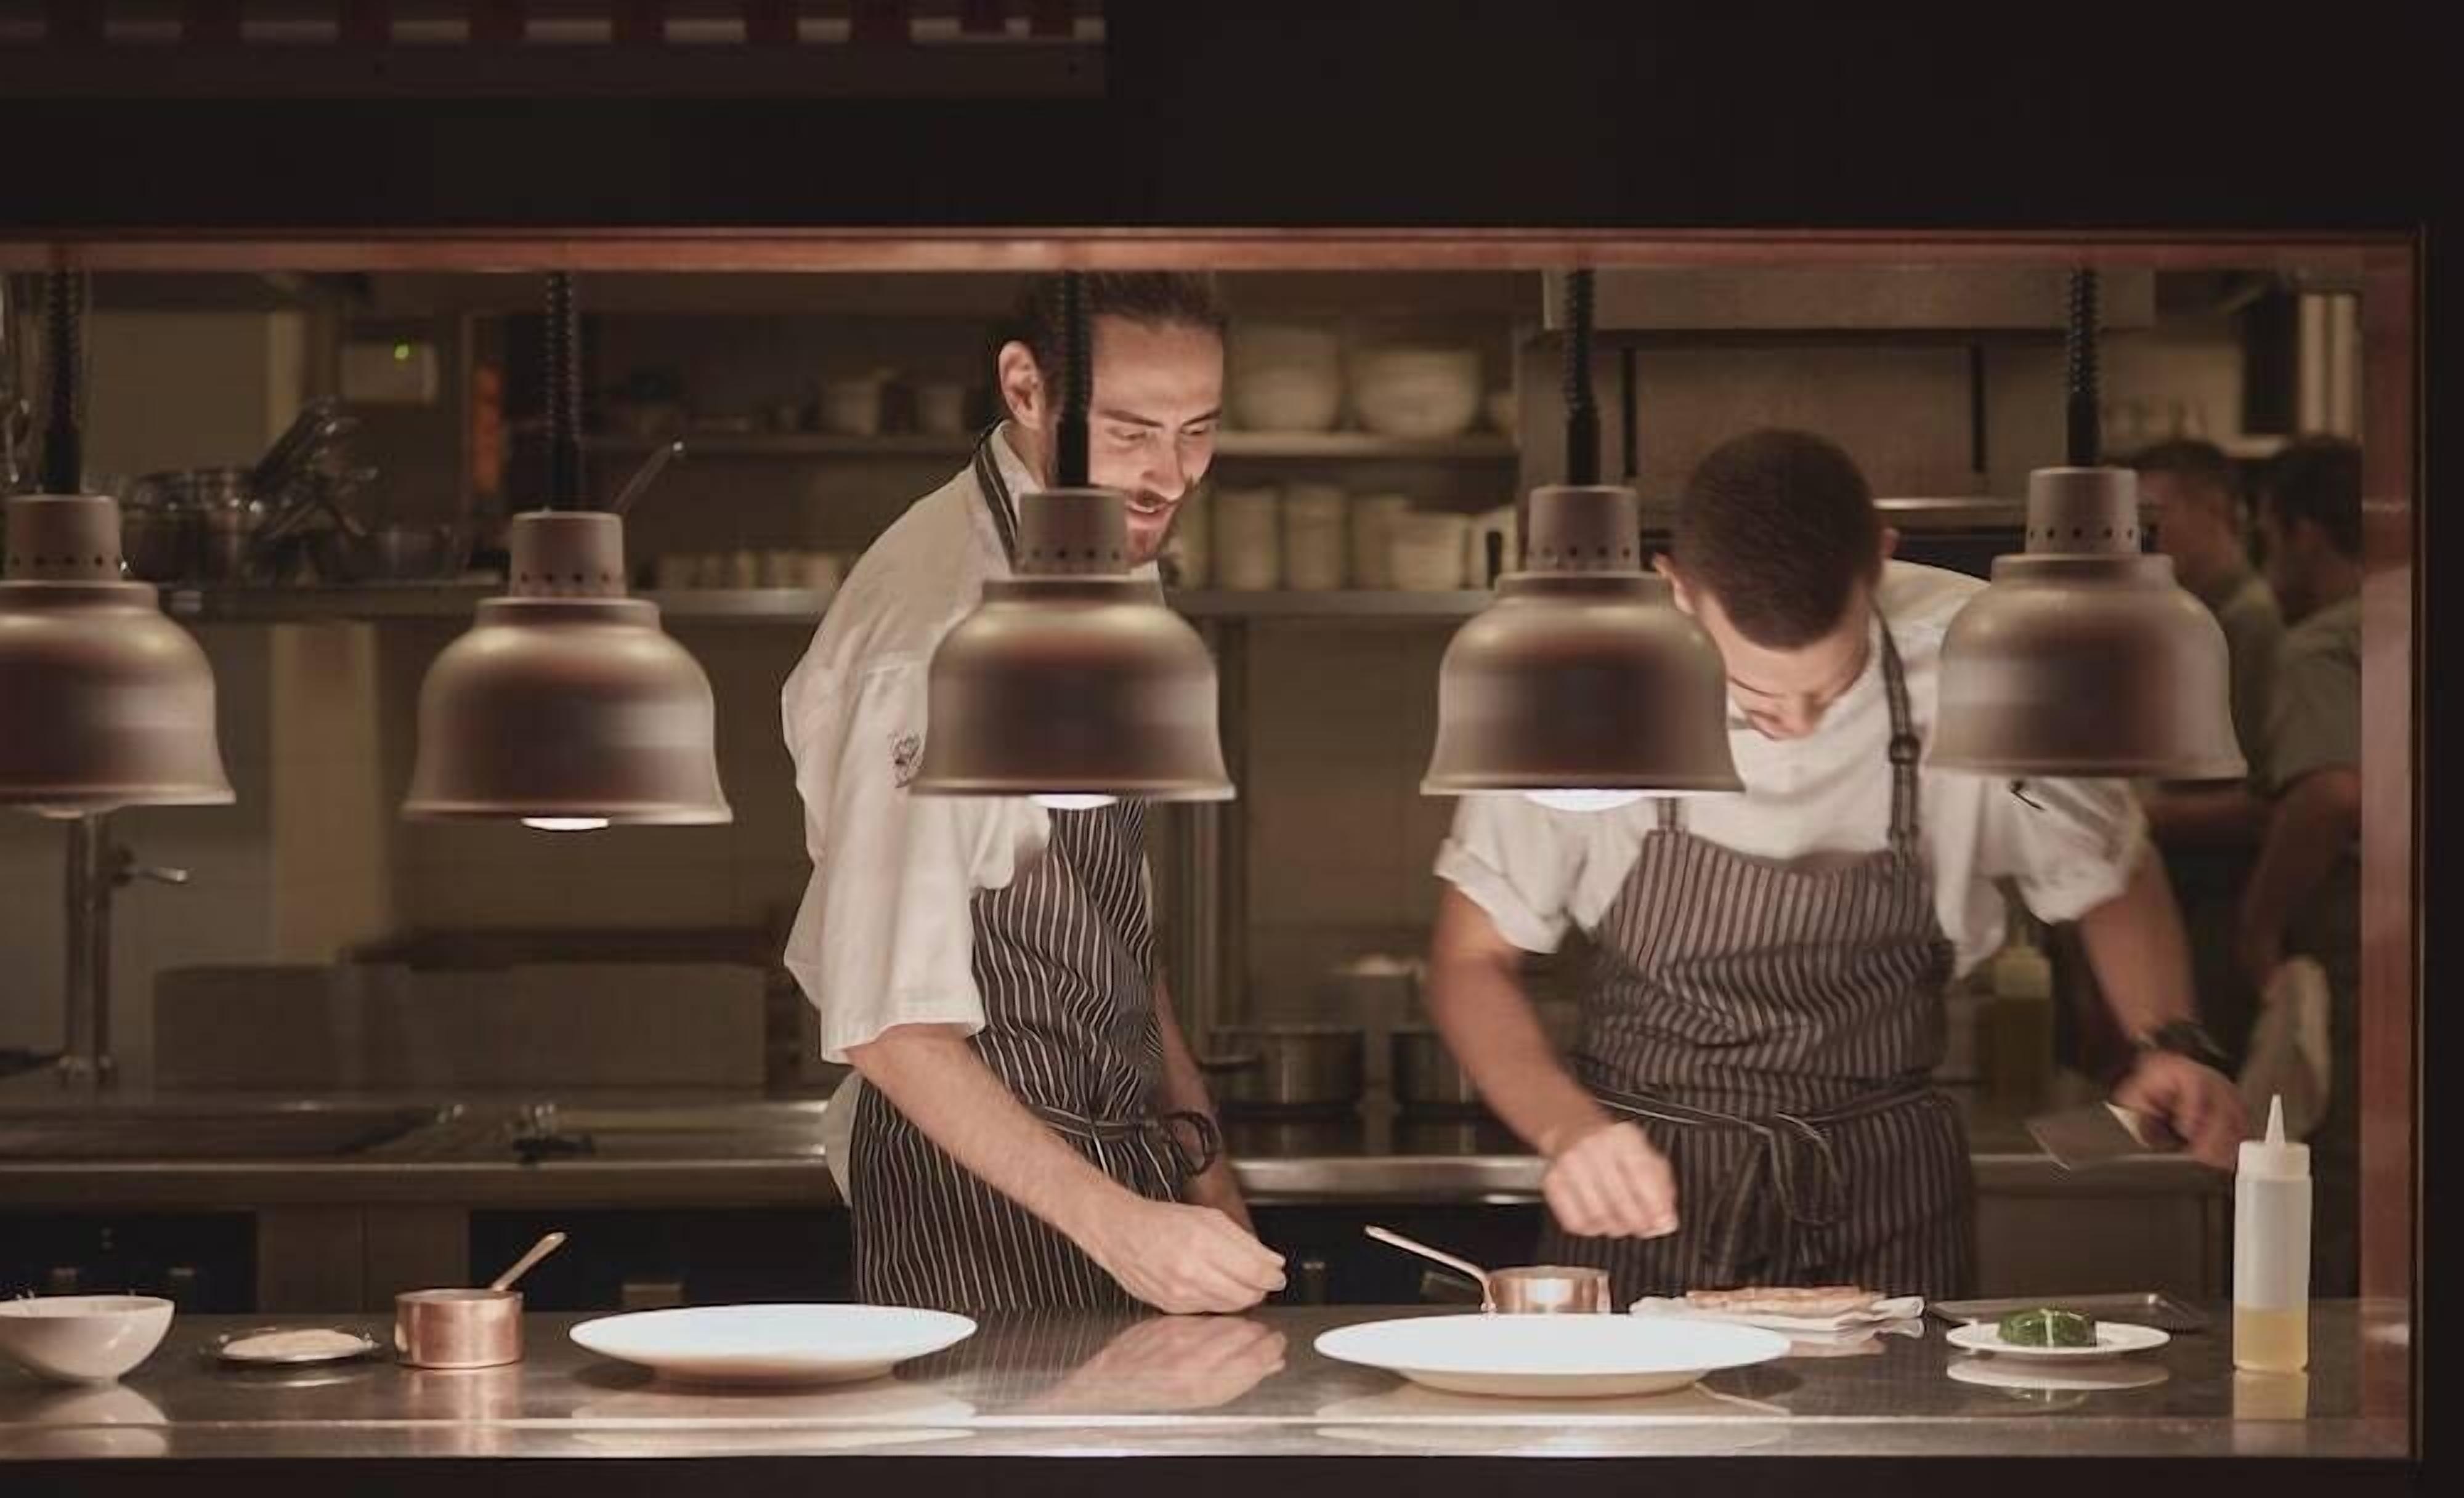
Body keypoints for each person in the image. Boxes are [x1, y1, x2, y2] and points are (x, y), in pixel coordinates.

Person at [1424, 429, 2249, 1303]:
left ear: (1881, 564)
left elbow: (2110, 869)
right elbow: (1470, 961)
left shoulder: (1991, 658)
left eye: (1831, 683)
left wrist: (2171, 1040)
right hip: (1644, 1185)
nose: (1799, 722)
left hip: (1888, 1183)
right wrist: (1567, 1134)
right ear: (1678, 588)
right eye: (1756, 694)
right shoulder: (1587, 679)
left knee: (1900, 1433)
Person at [782, 272, 1283, 1313]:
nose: (1169, 476)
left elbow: (1110, 920)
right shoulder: (930, 639)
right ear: (1024, 387)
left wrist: (1201, 1162)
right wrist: (1123, 1228)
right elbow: (887, 1024)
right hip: (977, 1202)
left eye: (1198, 431)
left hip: (1126, 1168)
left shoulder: (1095, 548)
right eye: (1132, 429)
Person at [2235, 435, 2364, 1296]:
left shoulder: (2321, 643)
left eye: (2268, 536)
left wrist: (2258, 924)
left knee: (2350, 1171)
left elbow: (2331, 796)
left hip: (2366, 935)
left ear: (2303, 532)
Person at [2131, 439, 2285, 1070]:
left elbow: (2260, 803)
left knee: (2202, 1074)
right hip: (2183, 892)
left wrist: (2126, 819)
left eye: (2153, 513)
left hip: (2216, 903)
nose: (2139, 533)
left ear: (2216, 508)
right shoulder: (2189, 615)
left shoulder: (2245, 622)